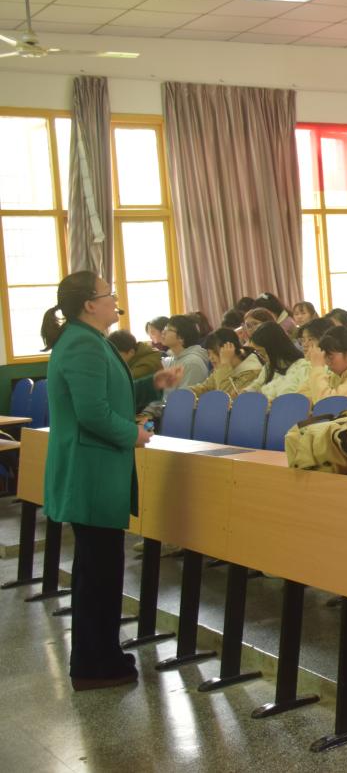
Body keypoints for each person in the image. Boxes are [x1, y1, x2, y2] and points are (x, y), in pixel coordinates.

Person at [40, 272, 183, 690]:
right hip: (92, 471)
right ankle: (94, 665)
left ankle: (100, 655)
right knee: (98, 574)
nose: (115, 300)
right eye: (109, 294)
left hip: (95, 470)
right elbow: (93, 413)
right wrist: (133, 434)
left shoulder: (90, 339)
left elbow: (110, 395)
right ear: (89, 304)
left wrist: (152, 384)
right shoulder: (82, 343)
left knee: (99, 570)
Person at [140, 315, 211, 420]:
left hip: (182, 421)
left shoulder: (193, 363)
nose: (163, 332)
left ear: (181, 338)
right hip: (164, 415)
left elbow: (184, 401)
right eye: (164, 328)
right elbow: (161, 395)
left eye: (168, 329)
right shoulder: (171, 360)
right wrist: (146, 414)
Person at [240, 321, 310, 400]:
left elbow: (299, 396)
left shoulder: (303, 366)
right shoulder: (268, 368)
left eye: (262, 352)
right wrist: (245, 392)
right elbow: (257, 385)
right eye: (258, 352)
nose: (261, 356)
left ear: (273, 349)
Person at [187, 328, 264, 396]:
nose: (211, 358)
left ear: (230, 349)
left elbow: (226, 398)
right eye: (209, 353)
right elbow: (205, 388)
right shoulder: (222, 368)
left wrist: (225, 364)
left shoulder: (252, 371)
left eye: (214, 352)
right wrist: (183, 393)